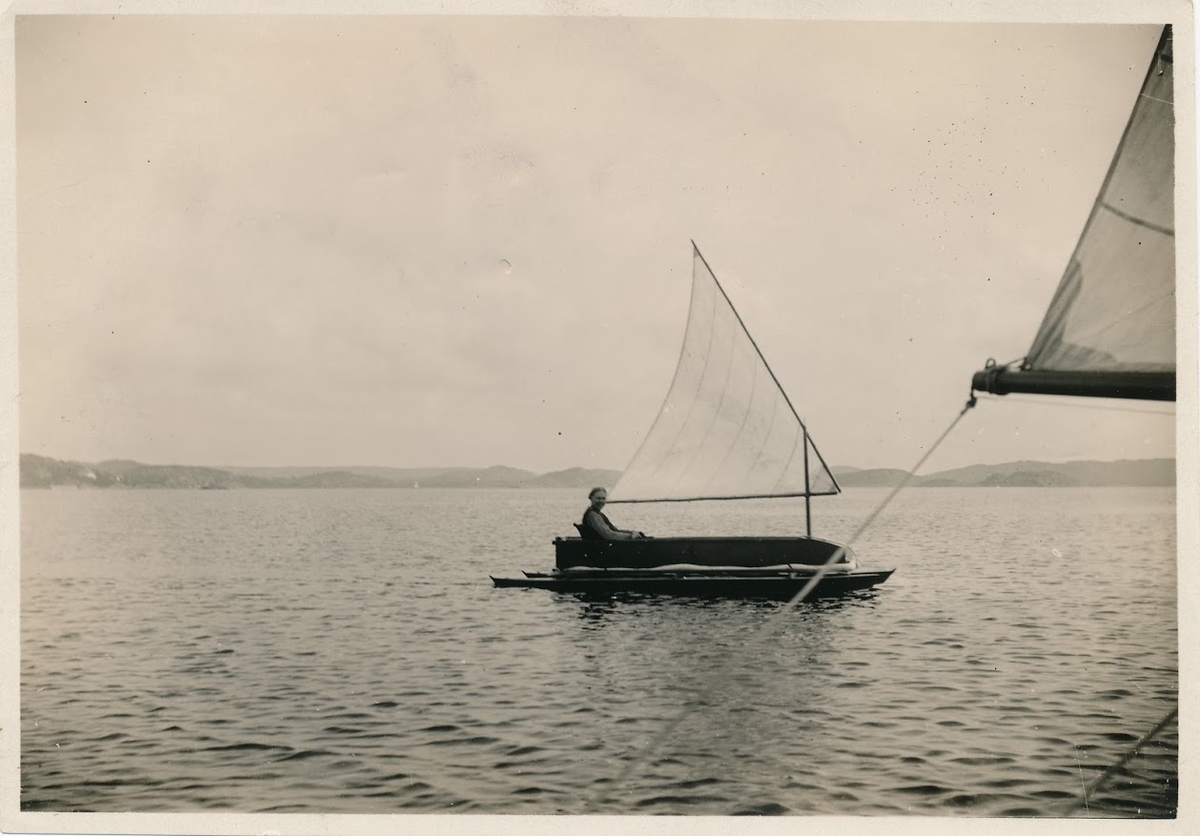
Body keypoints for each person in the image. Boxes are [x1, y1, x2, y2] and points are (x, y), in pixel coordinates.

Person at [580, 487, 648, 540]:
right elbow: (608, 535)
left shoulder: (596, 513)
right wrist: (630, 536)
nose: (601, 501)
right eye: (598, 498)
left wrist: (631, 532)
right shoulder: (593, 515)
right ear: (591, 498)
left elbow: (614, 530)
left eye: (603, 498)